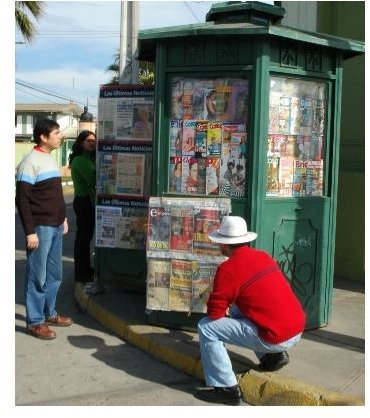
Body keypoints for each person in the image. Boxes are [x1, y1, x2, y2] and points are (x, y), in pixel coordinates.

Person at [194, 216, 306, 405]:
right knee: (240, 307)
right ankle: (273, 357)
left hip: (274, 337)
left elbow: (215, 314)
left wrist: (214, 295)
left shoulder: (227, 269)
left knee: (206, 328)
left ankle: (226, 388)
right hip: (296, 328)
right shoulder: (263, 256)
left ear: (224, 245)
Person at [15, 119, 73, 340]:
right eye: (57, 133)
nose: (60, 136)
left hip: (56, 225)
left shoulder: (49, 158)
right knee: (36, 276)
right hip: (40, 228)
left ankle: (50, 313)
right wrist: (30, 231)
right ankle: (35, 322)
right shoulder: (30, 162)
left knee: (54, 274)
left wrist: (63, 218)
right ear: (43, 136)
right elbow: (22, 200)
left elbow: (55, 197)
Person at [68, 130, 96, 284]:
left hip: (89, 201)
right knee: (83, 239)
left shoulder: (90, 159)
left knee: (87, 237)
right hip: (83, 201)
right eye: (88, 141)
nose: (92, 143)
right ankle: (80, 272)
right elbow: (92, 180)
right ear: (81, 143)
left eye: (93, 141)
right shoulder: (79, 160)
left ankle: (86, 269)